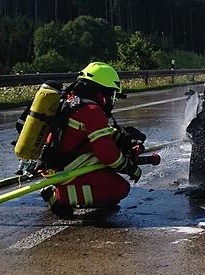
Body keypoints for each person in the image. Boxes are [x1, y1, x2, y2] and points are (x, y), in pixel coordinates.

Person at [38, 62, 144, 218]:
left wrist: (124, 140)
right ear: (102, 91)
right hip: (66, 169)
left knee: (109, 183)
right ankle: (59, 197)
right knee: (119, 189)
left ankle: (69, 190)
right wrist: (130, 168)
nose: (112, 101)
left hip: (56, 163)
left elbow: (93, 134)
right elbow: (108, 155)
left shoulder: (71, 100)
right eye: (112, 95)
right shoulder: (92, 110)